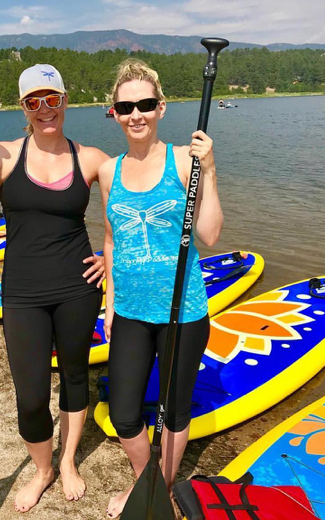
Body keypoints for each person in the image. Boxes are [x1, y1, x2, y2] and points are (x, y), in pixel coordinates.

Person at [0, 63, 109, 513]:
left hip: (78, 288)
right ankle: (43, 469)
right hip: (22, 293)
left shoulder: (90, 158)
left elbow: (125, 217)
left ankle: (68, 460)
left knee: (75, 376)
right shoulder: (1, 155)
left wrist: (110, 262)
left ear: (65, 101)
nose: (44, 109)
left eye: (52, 99)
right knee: (31, 393)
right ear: (24, 108)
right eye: (34, 102)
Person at [98, 59, 223, 518]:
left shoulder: (187, 159)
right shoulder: (109, 172)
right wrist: (110, 301)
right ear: (114, 112)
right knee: (124, 414)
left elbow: (209, 235)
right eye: (126, 106)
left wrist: (209, 171)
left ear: (161, 108)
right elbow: (111, 238)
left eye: (145, 104)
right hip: (130, 310)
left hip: (182, 313)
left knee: (173, 414)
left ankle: (160, 490)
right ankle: (145, 482)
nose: (136, 114)